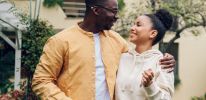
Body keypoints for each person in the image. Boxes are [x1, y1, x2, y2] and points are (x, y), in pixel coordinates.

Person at [31, 0, 176, 99]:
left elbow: (141, 56)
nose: (116, 16)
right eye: (113, 11)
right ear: (96, 10)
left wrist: (166, 60)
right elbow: (41, 81)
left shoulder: (117, 41)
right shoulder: (60, 40)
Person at [115, 9, 174, 100]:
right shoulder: (122, 57)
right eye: (134, 24)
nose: (132, 28)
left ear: (153, 33)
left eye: (138, 25)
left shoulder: (163, 63)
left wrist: (150, 86)